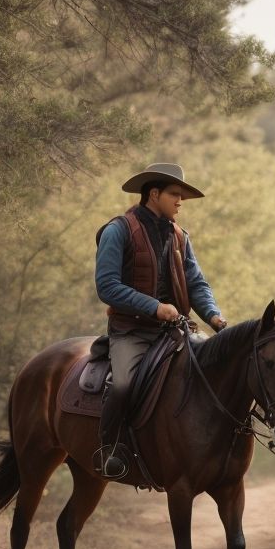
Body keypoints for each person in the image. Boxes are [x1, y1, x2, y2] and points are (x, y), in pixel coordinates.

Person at [93, 162, 227, 478]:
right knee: (124, 385)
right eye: (175, 195)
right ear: (154, 194)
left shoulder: (180, 236)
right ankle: (109, 451)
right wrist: (155, 307)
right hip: (131, 331)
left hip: (175, 331)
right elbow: (107, 286)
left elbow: (196, 284)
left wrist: (213, 316)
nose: (180, 202)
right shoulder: (118, 230)